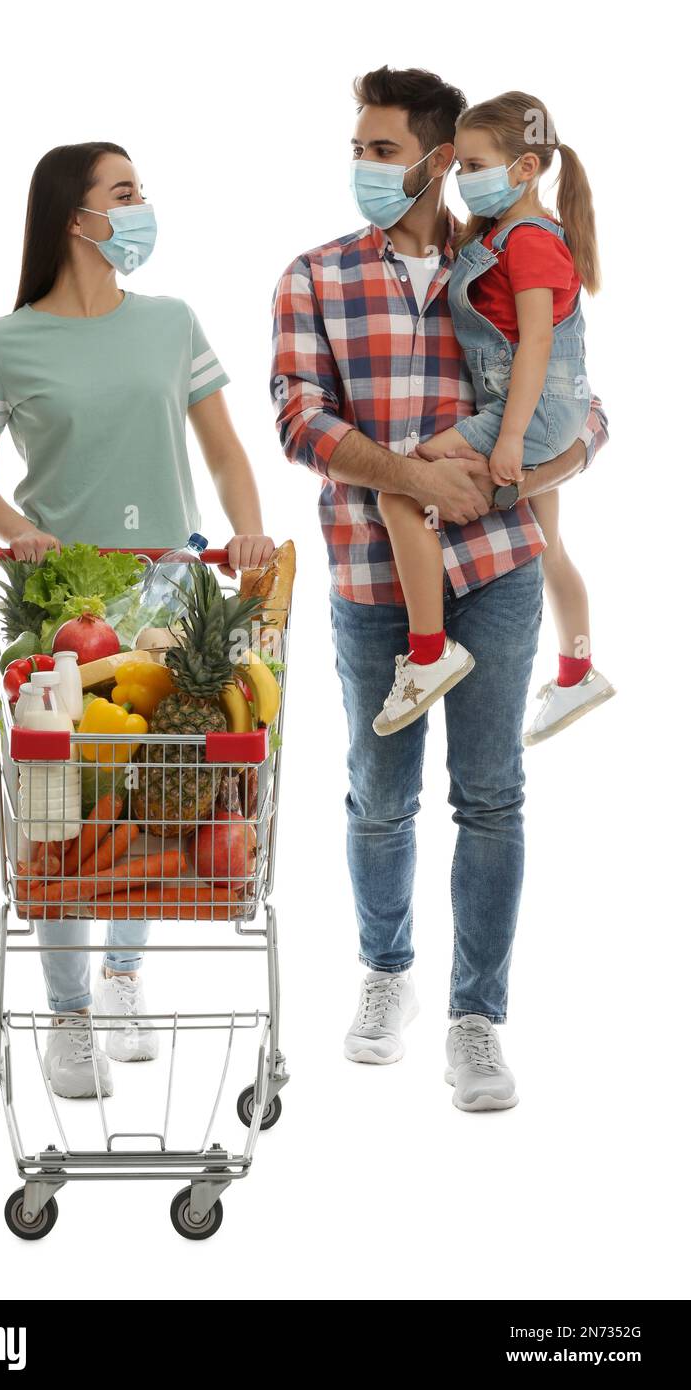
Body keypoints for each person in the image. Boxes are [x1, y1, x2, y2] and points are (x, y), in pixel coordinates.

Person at [271, 67, 609, 1110]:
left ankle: (477, 1017)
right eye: (359, 149)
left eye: (381, 150)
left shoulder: (503, 257)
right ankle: (386, 974)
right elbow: (299, 421)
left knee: (493, 795)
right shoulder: (314, 276)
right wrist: (414, 477)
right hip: (376, 571)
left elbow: (583, 409)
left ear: (432, 157)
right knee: (381, 796)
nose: (363, 167)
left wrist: (521, 471)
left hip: (498, 567)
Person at [0, 141, 274, 1099]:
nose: (141, 209)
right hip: (58, 607)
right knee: (60, 810)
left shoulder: (172, 323)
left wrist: (249, 534)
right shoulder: (3, 342)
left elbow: (222, 452)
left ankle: (124, 979)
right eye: (124, 193)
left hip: (170, 592)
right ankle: (69, 1016)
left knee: (150, 795)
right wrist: (22, 535)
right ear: (73, 217)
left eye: (141, 192)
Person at [373, 90, 615, 741]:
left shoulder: (529, 242)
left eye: (477, 166)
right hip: (549, 407)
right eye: (462, 168)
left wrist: (509, 441)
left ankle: (429, 655)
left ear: (526, 168)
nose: (466, 180)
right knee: (549, 545)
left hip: (531, 412)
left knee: (401, 488)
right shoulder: (504, 234)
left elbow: (536, 341)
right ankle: (578, 672)